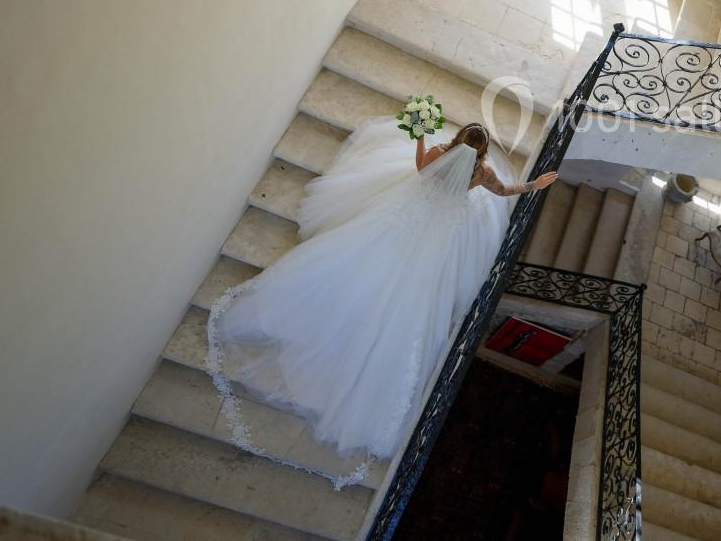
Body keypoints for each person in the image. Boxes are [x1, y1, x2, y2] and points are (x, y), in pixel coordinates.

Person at [206, 118, 558, 487]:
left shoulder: (439, 153)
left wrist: (422, 136)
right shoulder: (481, 173)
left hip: (410, 215)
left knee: (366, 253)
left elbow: (421, 171)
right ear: (482, 153)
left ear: (457, 139)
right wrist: (534, 184)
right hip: (438, 233)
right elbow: (504, 192)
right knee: (416, 286)